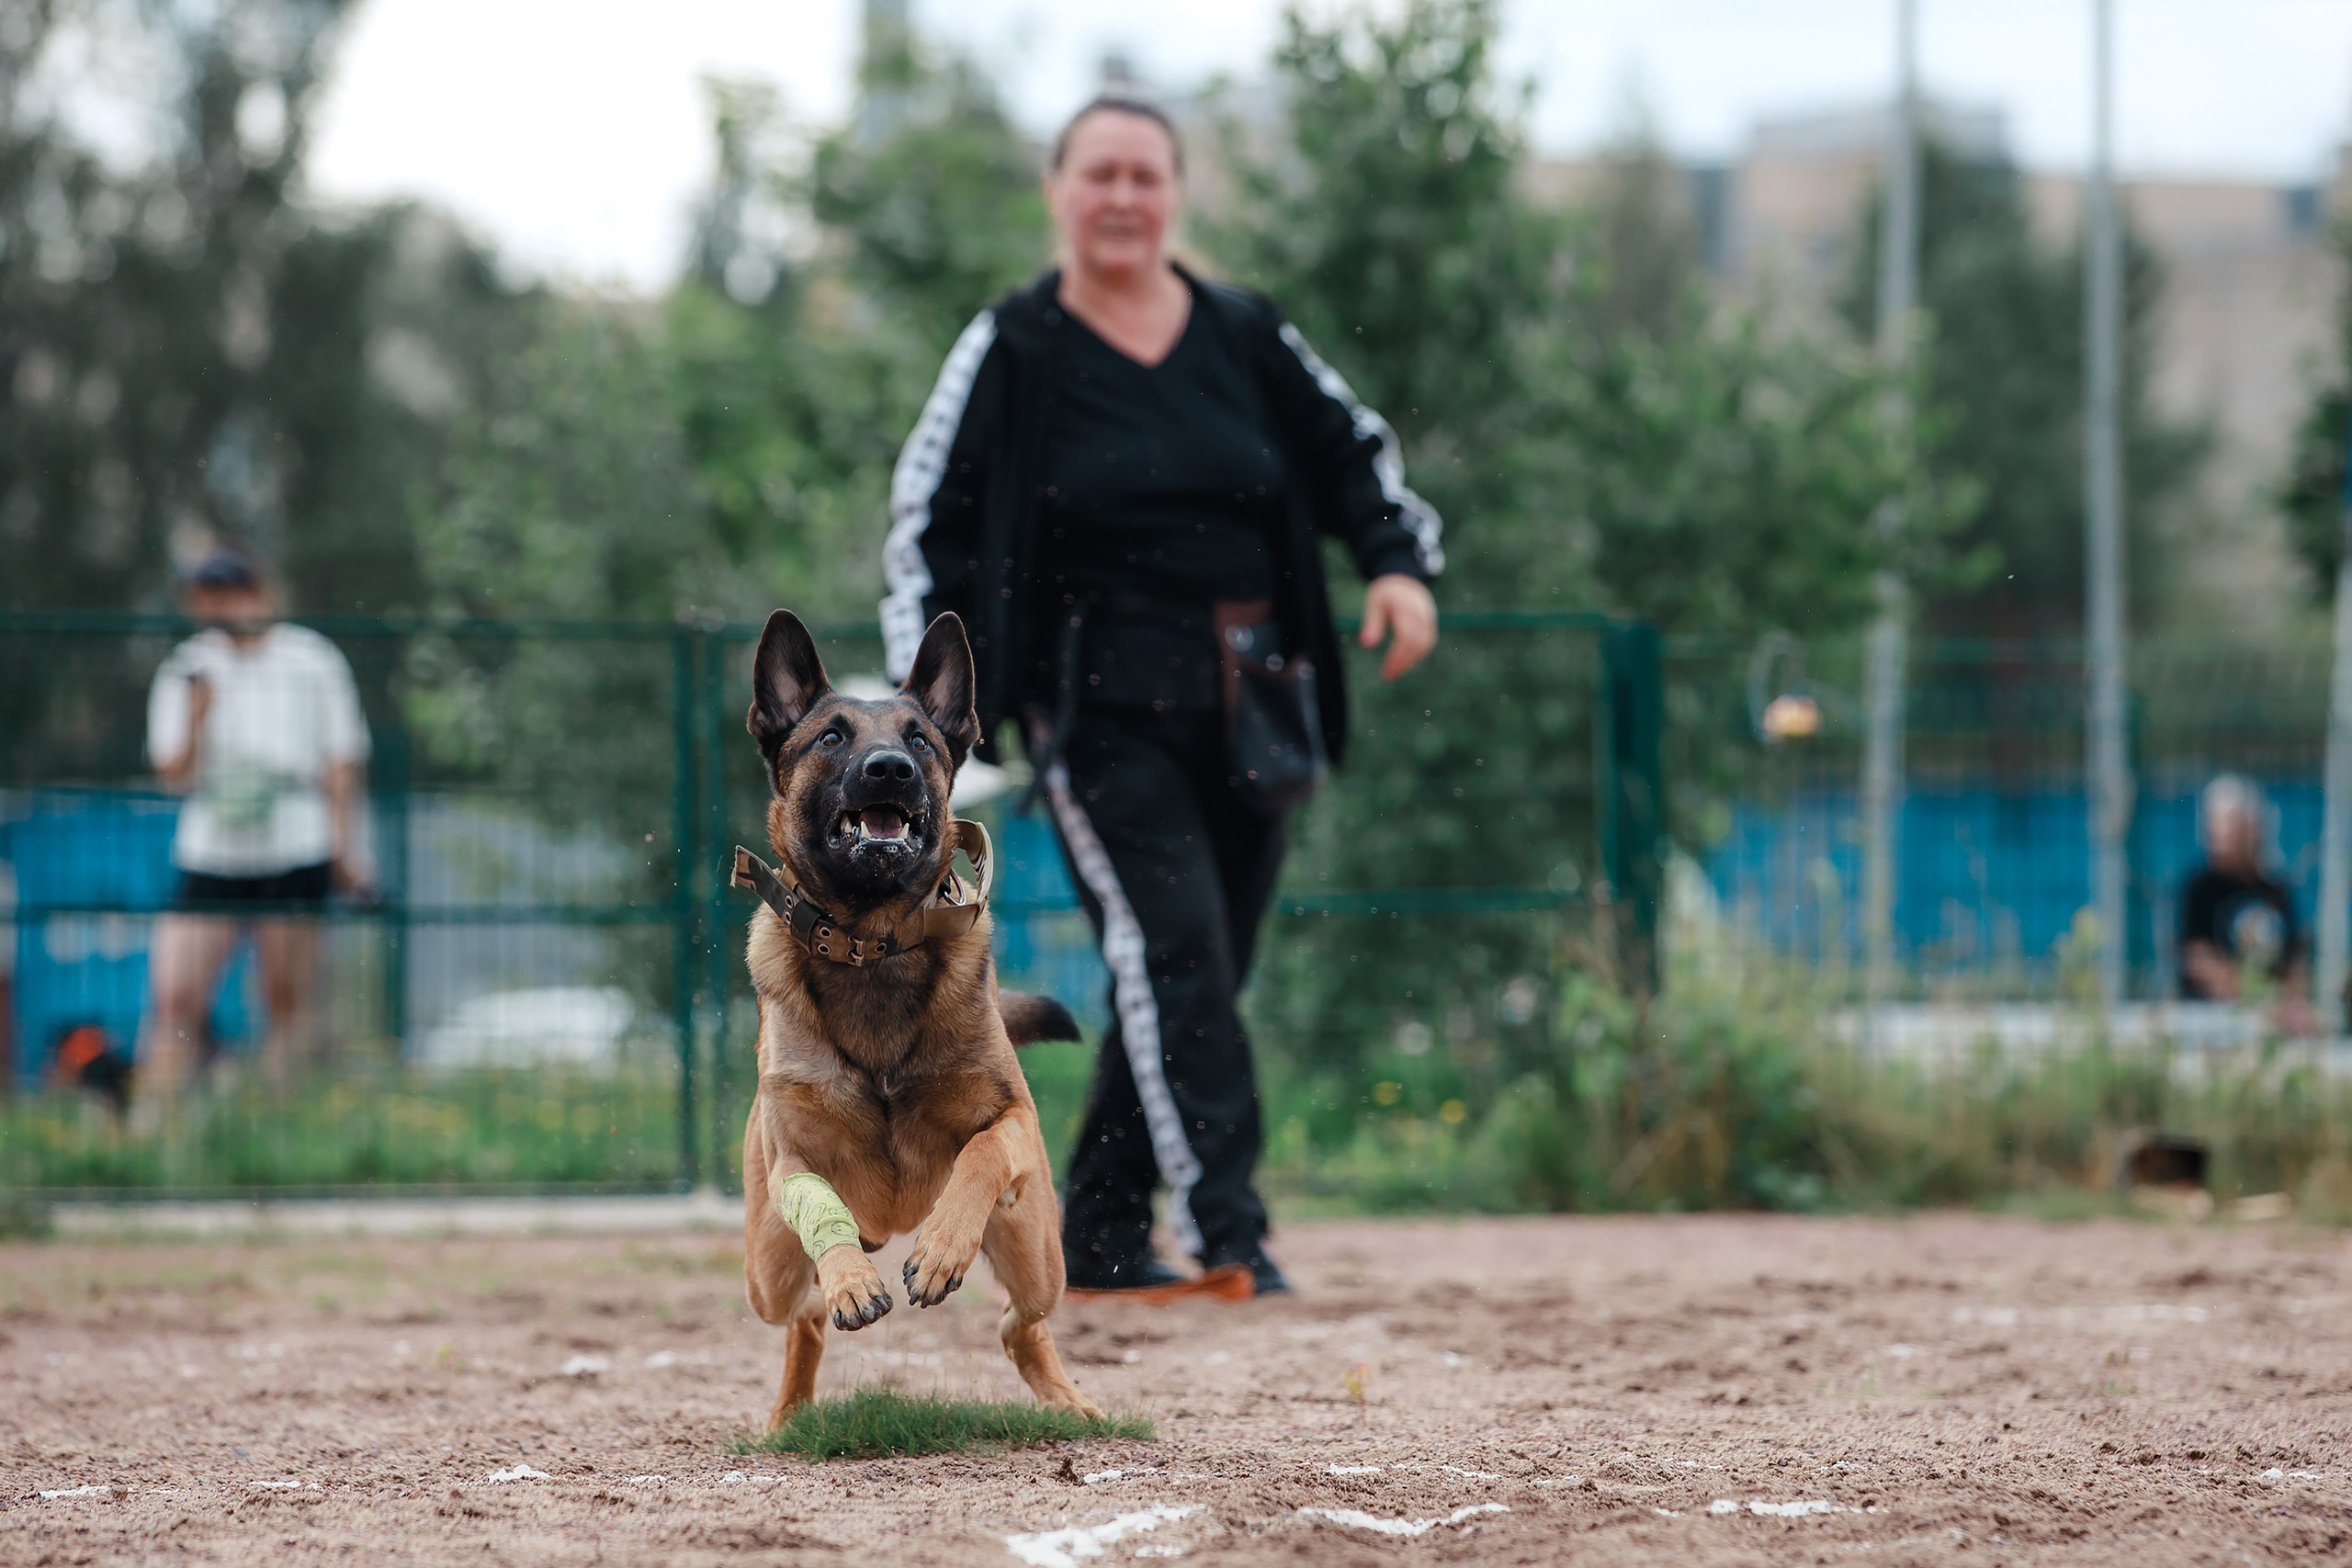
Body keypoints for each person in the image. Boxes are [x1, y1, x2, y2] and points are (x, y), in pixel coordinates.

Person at [877, 95, 1441, 1297]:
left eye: (1145, 175)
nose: (1123, 197)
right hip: (1098, 714)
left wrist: (1397, 564)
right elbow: (927, 523)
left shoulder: (1243, 329)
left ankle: (1105, 1227)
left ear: (1175, 191)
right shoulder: (1015, 346)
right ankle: (1232, 1229)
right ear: (1058, 190)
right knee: (1173, 948)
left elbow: (1354, 448)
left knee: (1192, 968)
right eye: (1101, 174)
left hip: (1256, 701)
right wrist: (933, 713)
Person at [139, 549, 371, 1111]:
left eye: (228, 592)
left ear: (259, 593)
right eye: (208, 596)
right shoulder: (186, 668)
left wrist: (346, 851)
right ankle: (159, 1121)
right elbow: (172, 774)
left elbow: (341, 764)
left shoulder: (311, 659)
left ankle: (276, 1124)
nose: (220, 607)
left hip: (293, 846)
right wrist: (197, 719)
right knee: (176, 994)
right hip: (212, 850)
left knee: (285, 999)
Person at [2177, 774, 2316, 1033]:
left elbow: (2293, 963)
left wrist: (2289, 1003)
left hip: (2270, 1014)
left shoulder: (2275, 891)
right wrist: (2257, 999)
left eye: (2229, 826)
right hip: (2213, 1016)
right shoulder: (2200, 888)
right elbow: (2199, 960)